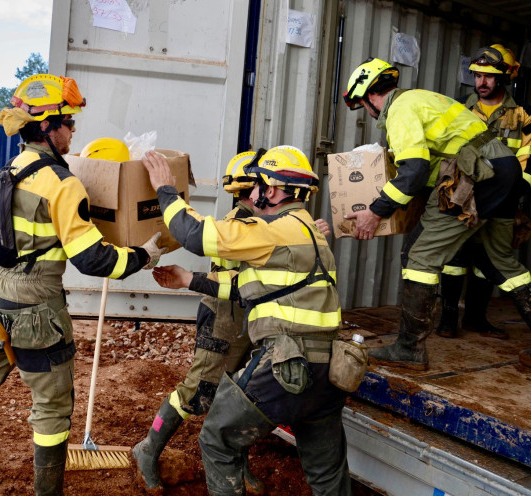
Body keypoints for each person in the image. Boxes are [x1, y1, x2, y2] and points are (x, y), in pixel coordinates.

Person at [0, 74, 165, 496]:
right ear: (47, 126)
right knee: (53, 408)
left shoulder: (10, 169)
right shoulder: (62, 184)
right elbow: (94, 259)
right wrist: (144, 254)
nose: (73, 130)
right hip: (38, 311)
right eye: (68, 121)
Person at [143, 146, 350, 496]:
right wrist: (187, 280)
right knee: (328, 477)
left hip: (286, 367)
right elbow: (250, 288)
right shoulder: (314, 235)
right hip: (329, 375)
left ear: (270, 190)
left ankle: (148, 450)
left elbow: (194, 235)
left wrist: (166, 189)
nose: (252, 195)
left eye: (257, 186)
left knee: (216, 437)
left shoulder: (271, 230)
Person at [342, 58, 531, 370]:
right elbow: (430, 169)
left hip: (476, 176)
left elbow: (413, 171)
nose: (367, 111)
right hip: (503, 171)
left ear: (368, 96)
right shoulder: (422, 98)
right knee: (500, 260)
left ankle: (408, 348)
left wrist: (375, 212)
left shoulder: (399, 109)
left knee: (418, 255)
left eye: (362, 105)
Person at [133, 150, 263, 494]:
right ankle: (148, 448)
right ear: (251, 189)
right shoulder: (240, 224)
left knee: (240, 393)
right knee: (197, 392)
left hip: (247, 319)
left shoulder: (266, 222)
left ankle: (237, 460)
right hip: (223, 318)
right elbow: (233, 281)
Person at [437, 45, 528, 340]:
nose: (481, 83)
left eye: (489, 77)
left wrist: (519, 204)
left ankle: (476, 318)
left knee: (486, 261)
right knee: (454, 258)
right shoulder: (460, 108)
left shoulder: (523, 117)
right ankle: (448, 319)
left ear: (504, 77)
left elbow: (528, 163)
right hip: (463, 197)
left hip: (502, 201)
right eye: (477, 76)